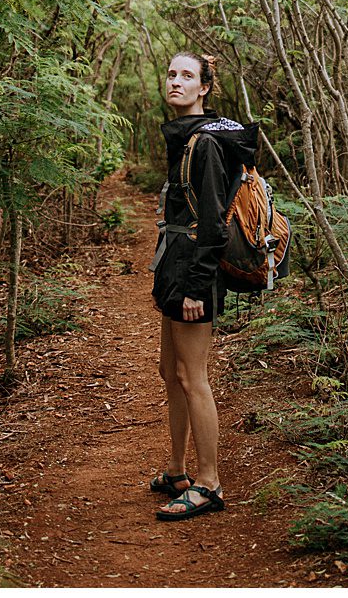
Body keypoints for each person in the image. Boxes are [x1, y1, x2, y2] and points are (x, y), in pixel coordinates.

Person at [147, 50, 253, 521]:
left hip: (195, 272)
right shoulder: (185, 137)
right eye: (171, 74)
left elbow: (213, 226)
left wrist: (195, 287)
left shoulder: (205, 144)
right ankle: (177, 471)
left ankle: (209, 483)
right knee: (171, 374)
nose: (175, 82)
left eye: (187, 75)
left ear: (204, 88)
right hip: (175, 265)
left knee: (194, 379)